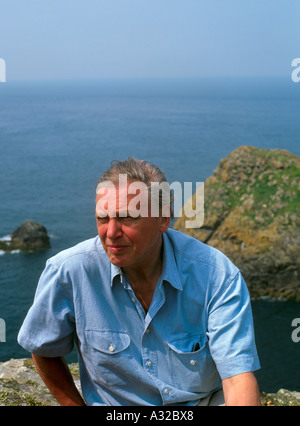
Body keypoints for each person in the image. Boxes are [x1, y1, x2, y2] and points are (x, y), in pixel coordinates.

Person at [18, 157, 261, 406]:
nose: (111, 233)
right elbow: (42, 347)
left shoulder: (216, 274)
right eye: (103, 218)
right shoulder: (68, 271)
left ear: (163, 219)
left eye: (127, 218)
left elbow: (237, 377)